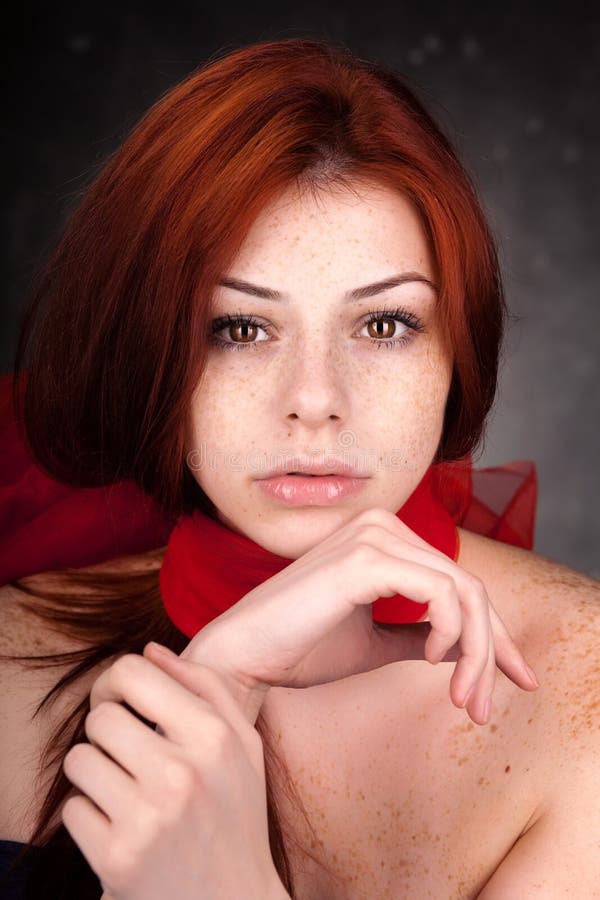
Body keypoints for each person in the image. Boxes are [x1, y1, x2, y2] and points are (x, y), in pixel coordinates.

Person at [1, 36, 598, 900]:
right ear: (153, 355)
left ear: (458, 355)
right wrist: (218, 678)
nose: (314, 400)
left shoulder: (587, 705)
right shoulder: (13, 651)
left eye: (385, 324)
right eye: (240, 328)